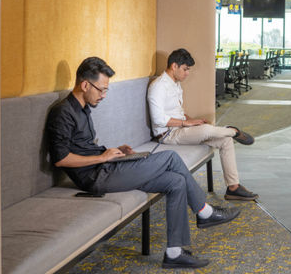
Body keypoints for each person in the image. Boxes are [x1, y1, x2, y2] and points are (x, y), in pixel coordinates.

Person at [46, 57, 240, 270]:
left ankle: (174, 253)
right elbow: (61, 159)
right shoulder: (63, 113)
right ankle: (204, 212)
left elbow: (83, 147)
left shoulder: (83, 109)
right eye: (101, 90)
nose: (103, 95)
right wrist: (102, 158)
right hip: (95, 177)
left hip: (106, 167)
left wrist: (116, 151)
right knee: (170, 157)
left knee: (175, 182)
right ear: (85, 85)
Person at [148, 48, 259, 201]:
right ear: (174, 66)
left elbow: (178, 112)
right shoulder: (158, 86)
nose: (187, 73)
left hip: (181, 130)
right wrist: (186, 123)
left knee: (225, 140)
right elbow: (158, 119)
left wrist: (193, 121)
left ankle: (233, 188)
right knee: (207, 130)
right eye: (185, 69)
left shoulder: (175, 84)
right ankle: (233, 131)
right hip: (168, 135)